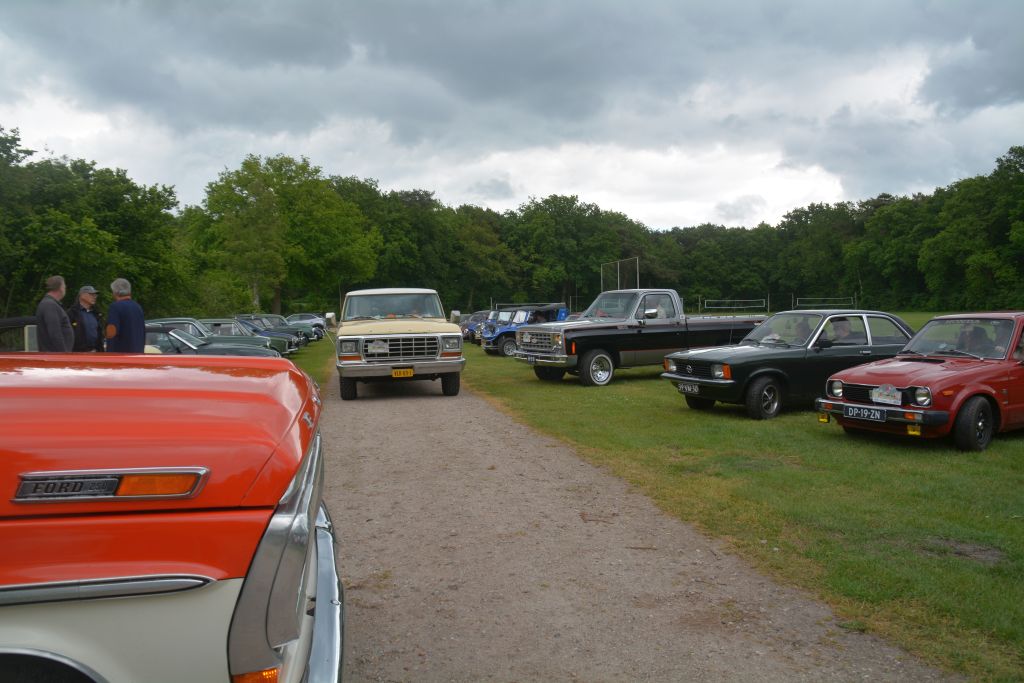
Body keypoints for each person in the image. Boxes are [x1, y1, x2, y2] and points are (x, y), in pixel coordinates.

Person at [105, 278, 145, 353]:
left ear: (115, 292)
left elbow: (112, 332)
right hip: (137, 353)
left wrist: (109, 352)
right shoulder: (138, 307)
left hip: (121, 354)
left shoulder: (115, 307)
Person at [35, 275, 74, 352]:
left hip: (56, 355)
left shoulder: (51, 304)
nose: (65, 289)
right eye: (64, 286)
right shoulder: (49, 305)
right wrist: (63, 355)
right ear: (61, 288)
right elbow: (55, 333)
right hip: (55, 356)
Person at [67, 285, 105, 352]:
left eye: (95, 295)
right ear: (82, 295)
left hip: (95, 353)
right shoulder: (72, 313)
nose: (95, 297)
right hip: (78, 354)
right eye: (91, 294)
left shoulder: (97, 313)